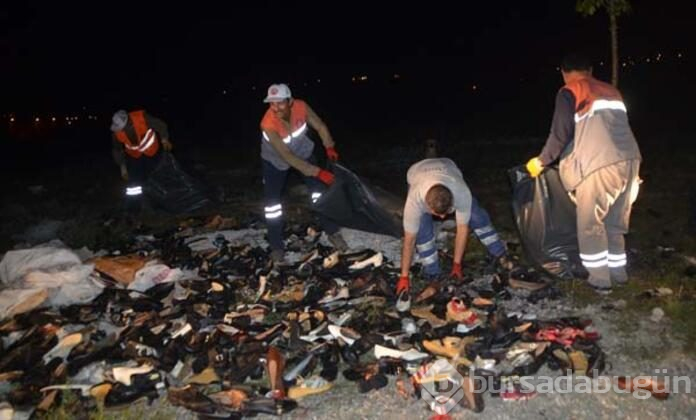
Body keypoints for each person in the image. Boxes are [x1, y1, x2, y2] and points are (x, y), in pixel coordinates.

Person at [525, 53, 641, 293]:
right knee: (616, 222)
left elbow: (560, 133)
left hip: (599, 165)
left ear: (564, 72)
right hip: (631, 160)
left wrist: (541, 161)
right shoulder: (611, 90)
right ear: (589, 70)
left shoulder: (571, 90)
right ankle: (618, 274)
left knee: (590, 223)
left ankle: (600, 280)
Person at [396, 158, 514, 295]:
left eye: (446, 213)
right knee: (423, 232)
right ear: (427, 206)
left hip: (448, 167)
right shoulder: (414, 201)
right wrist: (404, 277)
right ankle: (433, 272)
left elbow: (462, 229)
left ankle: (499, 253)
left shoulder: (460, 192)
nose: (441, 218)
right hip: (416, 172)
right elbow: (409, 241)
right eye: (437, 214)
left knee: (477, 217)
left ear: (452, 200)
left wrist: (457, 264)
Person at [259, 83, 347, 262]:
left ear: (290, 101)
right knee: (272, 206)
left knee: (319, 195)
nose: (275, 108)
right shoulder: (267, 123)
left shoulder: (301, 106)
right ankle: (277, 247)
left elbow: (320, 126)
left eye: (280, 103)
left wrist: (329, 146)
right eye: (271, 104)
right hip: (275, 161)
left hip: (303, 153)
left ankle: (333, 232)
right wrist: (318, 172)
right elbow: (287, 156)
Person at [110, 109, 173, 212]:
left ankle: (161, 203)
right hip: (134, 157)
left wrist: (164, 139)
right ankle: (134, 209)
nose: (122, 130)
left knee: (156, 177)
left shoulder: (143, 118)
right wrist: (123, 168)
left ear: (129, 121)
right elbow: (117, 150)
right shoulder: (116, 133)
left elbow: (161, 125)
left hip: (152, 153)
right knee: (134, 185)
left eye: (123, 127)